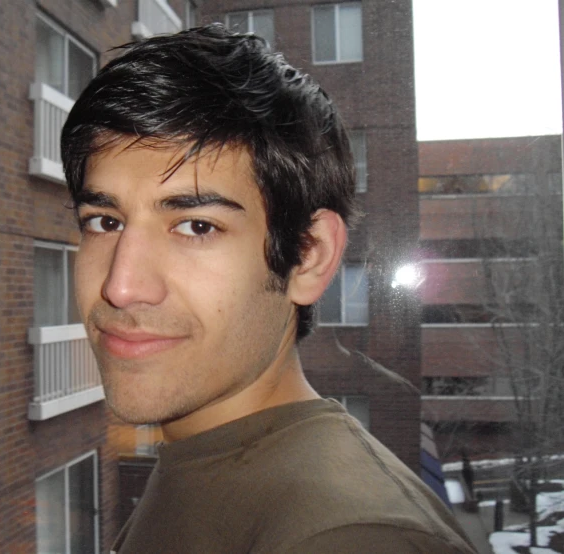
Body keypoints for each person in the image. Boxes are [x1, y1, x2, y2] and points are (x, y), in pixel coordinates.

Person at [61, 24, 477, 554]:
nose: (121, 286)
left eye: (197, 227)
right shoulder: (200, 455)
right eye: (104, 221)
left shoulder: (353, 537)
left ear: (308, 256)